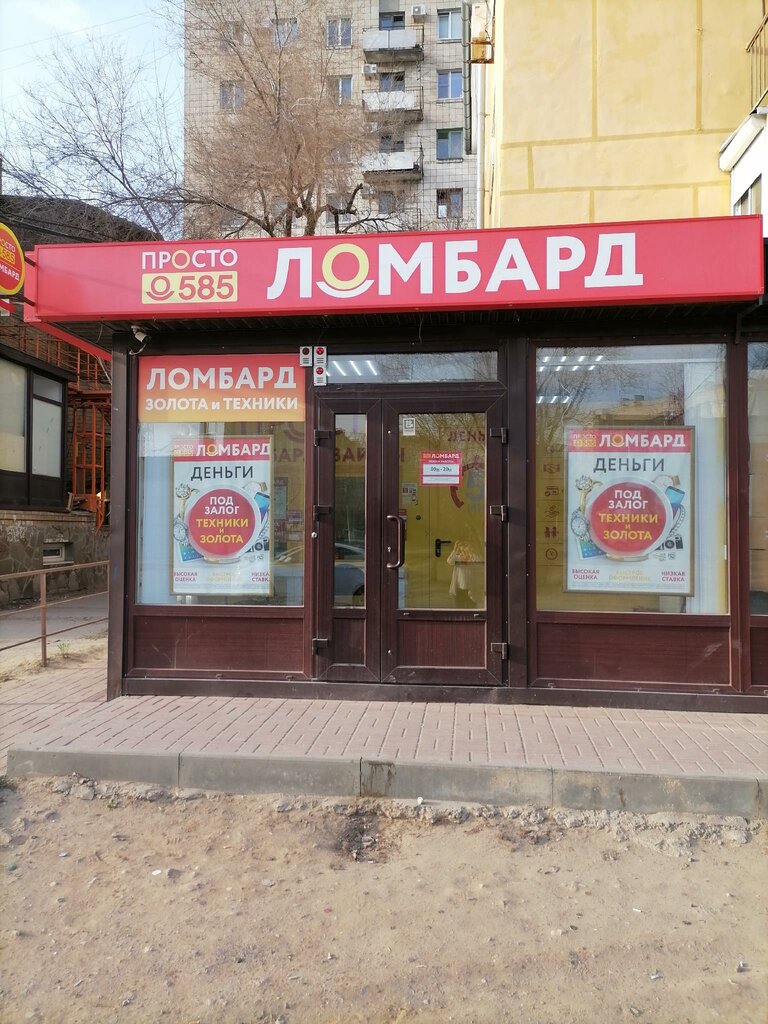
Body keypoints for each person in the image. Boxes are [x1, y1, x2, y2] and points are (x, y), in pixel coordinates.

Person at [447, 540, 483, 608]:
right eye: (462, 551)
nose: (463, 553)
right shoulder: (457, 558)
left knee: (471, 609)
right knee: (459, 609)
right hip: (458, 590)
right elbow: (449, 561)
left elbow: (480, 565)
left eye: (465, 551)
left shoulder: (473, 559)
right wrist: (455, 549)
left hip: (471, 590)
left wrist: (471, 554)